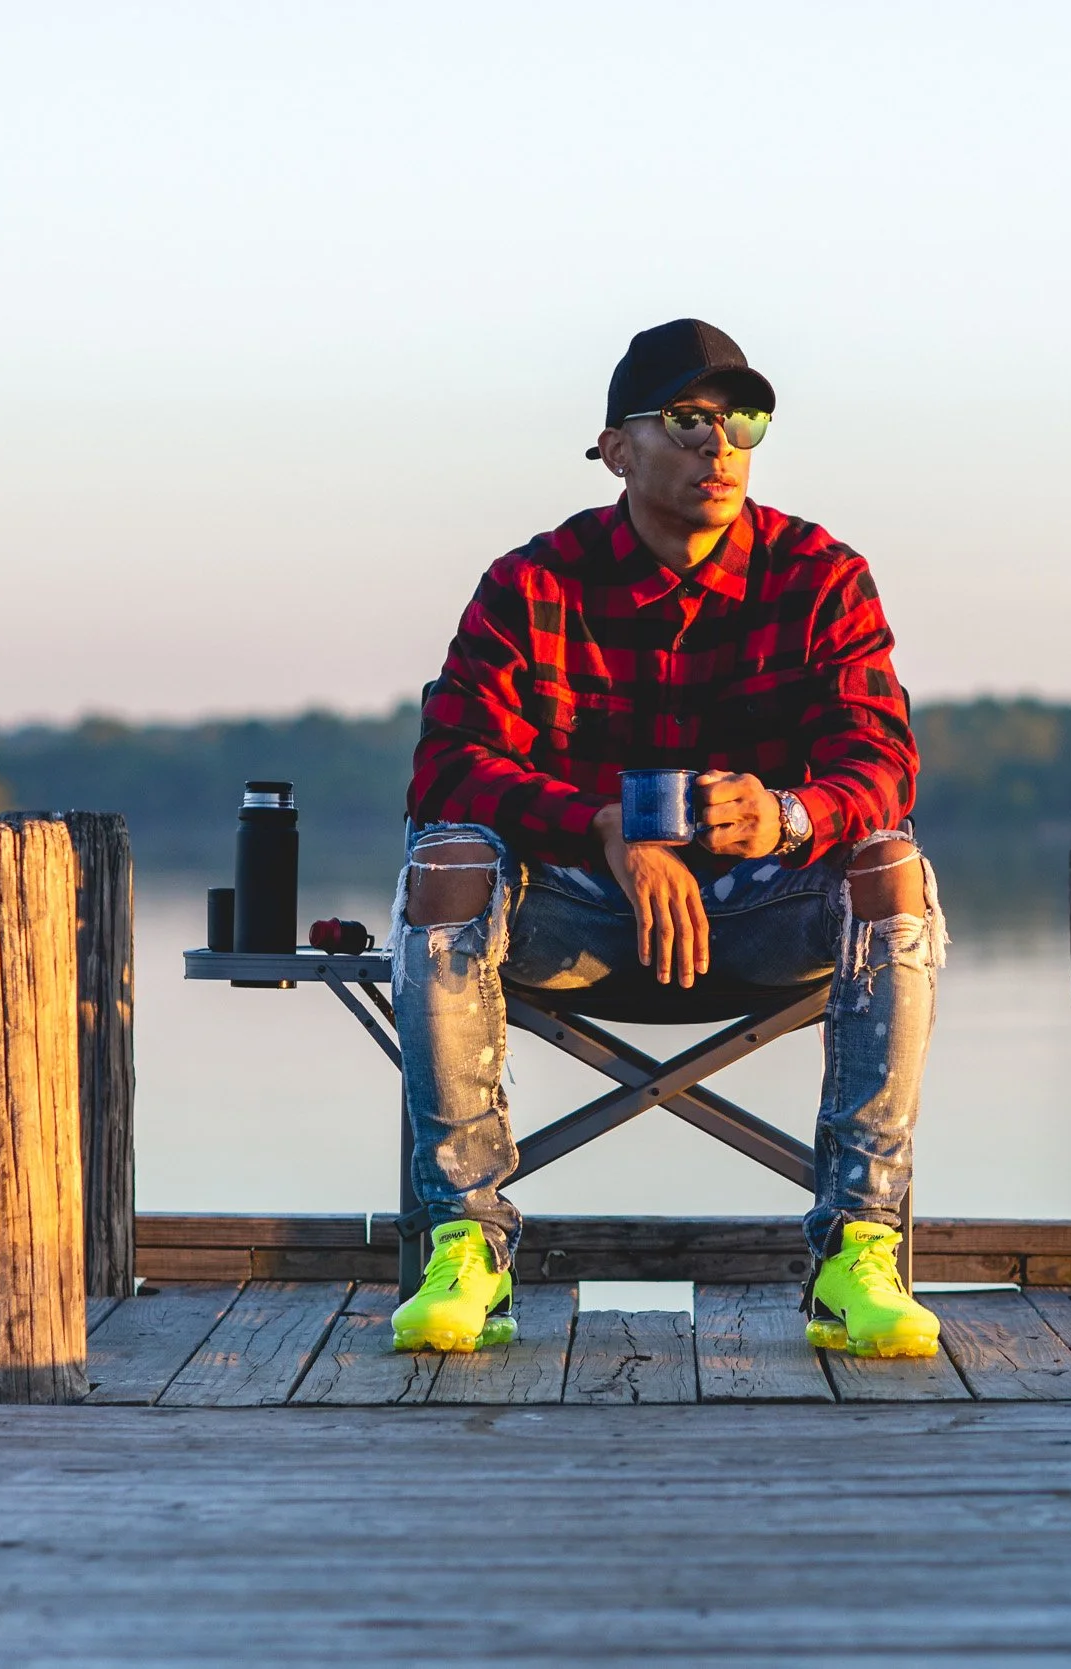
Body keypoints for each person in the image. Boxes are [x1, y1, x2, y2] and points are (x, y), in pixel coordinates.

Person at [387, 318, 947, 1359]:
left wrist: (787, 815)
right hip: (576, 921)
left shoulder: (820, 574)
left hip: (762, 915)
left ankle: (856, 1250)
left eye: (744, 420)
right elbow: (448, 766)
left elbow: (881, 759)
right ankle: (465, 1242)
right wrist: (602, 826)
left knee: (891, 866)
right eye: (690, 420)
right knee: (449, 865)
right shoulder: (532, 583)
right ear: (617, 449)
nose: (720, 446)